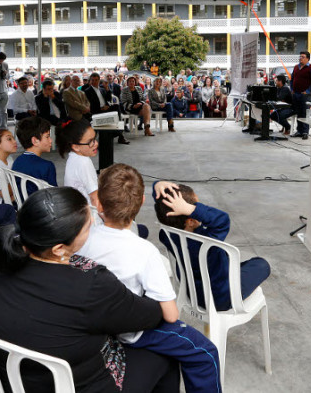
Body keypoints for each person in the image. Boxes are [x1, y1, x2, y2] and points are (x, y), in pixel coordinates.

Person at [0, 187, 180, 393]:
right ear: (59, 249)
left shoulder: (1, 261)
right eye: (87, 227)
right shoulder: (91, 283)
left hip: (15, 382)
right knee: (166, 355)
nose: (94, 222)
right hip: (78, 385)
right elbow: (152, 315)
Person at [78, 164, 221, 392]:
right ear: (142, 202)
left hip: (93, 320)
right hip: (132, 332)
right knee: (205, 353)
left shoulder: (82, 238)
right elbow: (171, 315)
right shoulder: (144, 251)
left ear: (98, 203)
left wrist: (158, 185)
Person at [154, 181, 271, 312]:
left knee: (235, 266)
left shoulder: (166, 234)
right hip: (222, 298)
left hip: (192, 294)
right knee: (261, 264)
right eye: (196, 207)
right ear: (191, 221)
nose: (199, 209)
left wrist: (157, 185)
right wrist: (190, 209)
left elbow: (161, 205)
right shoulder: (207, 239)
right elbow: (222, 220)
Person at [12, 116, 57, 196]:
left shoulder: (17, 161)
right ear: (35, 141)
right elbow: (53, 195)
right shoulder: (47, 166)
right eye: (47, 136)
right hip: (39, 207)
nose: (51, 140)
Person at [58, 119, 99, 205]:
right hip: (87, 214)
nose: (96, 143)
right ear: (76, 147)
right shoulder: (84, 162)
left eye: (94, 139)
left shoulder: (73, 156)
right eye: (90, 142)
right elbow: (95, 198)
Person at [83, 73, 129, 144]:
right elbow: (90, 104)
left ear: (99, 81)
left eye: (96, 80)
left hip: (105, 108)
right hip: (96, 110)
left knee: (117, 106)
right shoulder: (87, 91)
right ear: (90, 81)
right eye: (93, 80)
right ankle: (120, 135)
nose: (94, 82)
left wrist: (107, 89)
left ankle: (119, 133)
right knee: (113, 112)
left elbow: (108, 99)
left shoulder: (102, 89)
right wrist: (101, 108)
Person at [291, 51, 311, 139]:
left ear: (307, 59)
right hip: (295, 93)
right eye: (300, 57)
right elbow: (292, 79)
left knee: (304, 113)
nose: (300, 58)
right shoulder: (296, 67)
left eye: (303, 57)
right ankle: (299, 131)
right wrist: (292, 89)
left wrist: (308, 91)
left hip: (305, 95)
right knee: (298, 113)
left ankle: (305, 132)